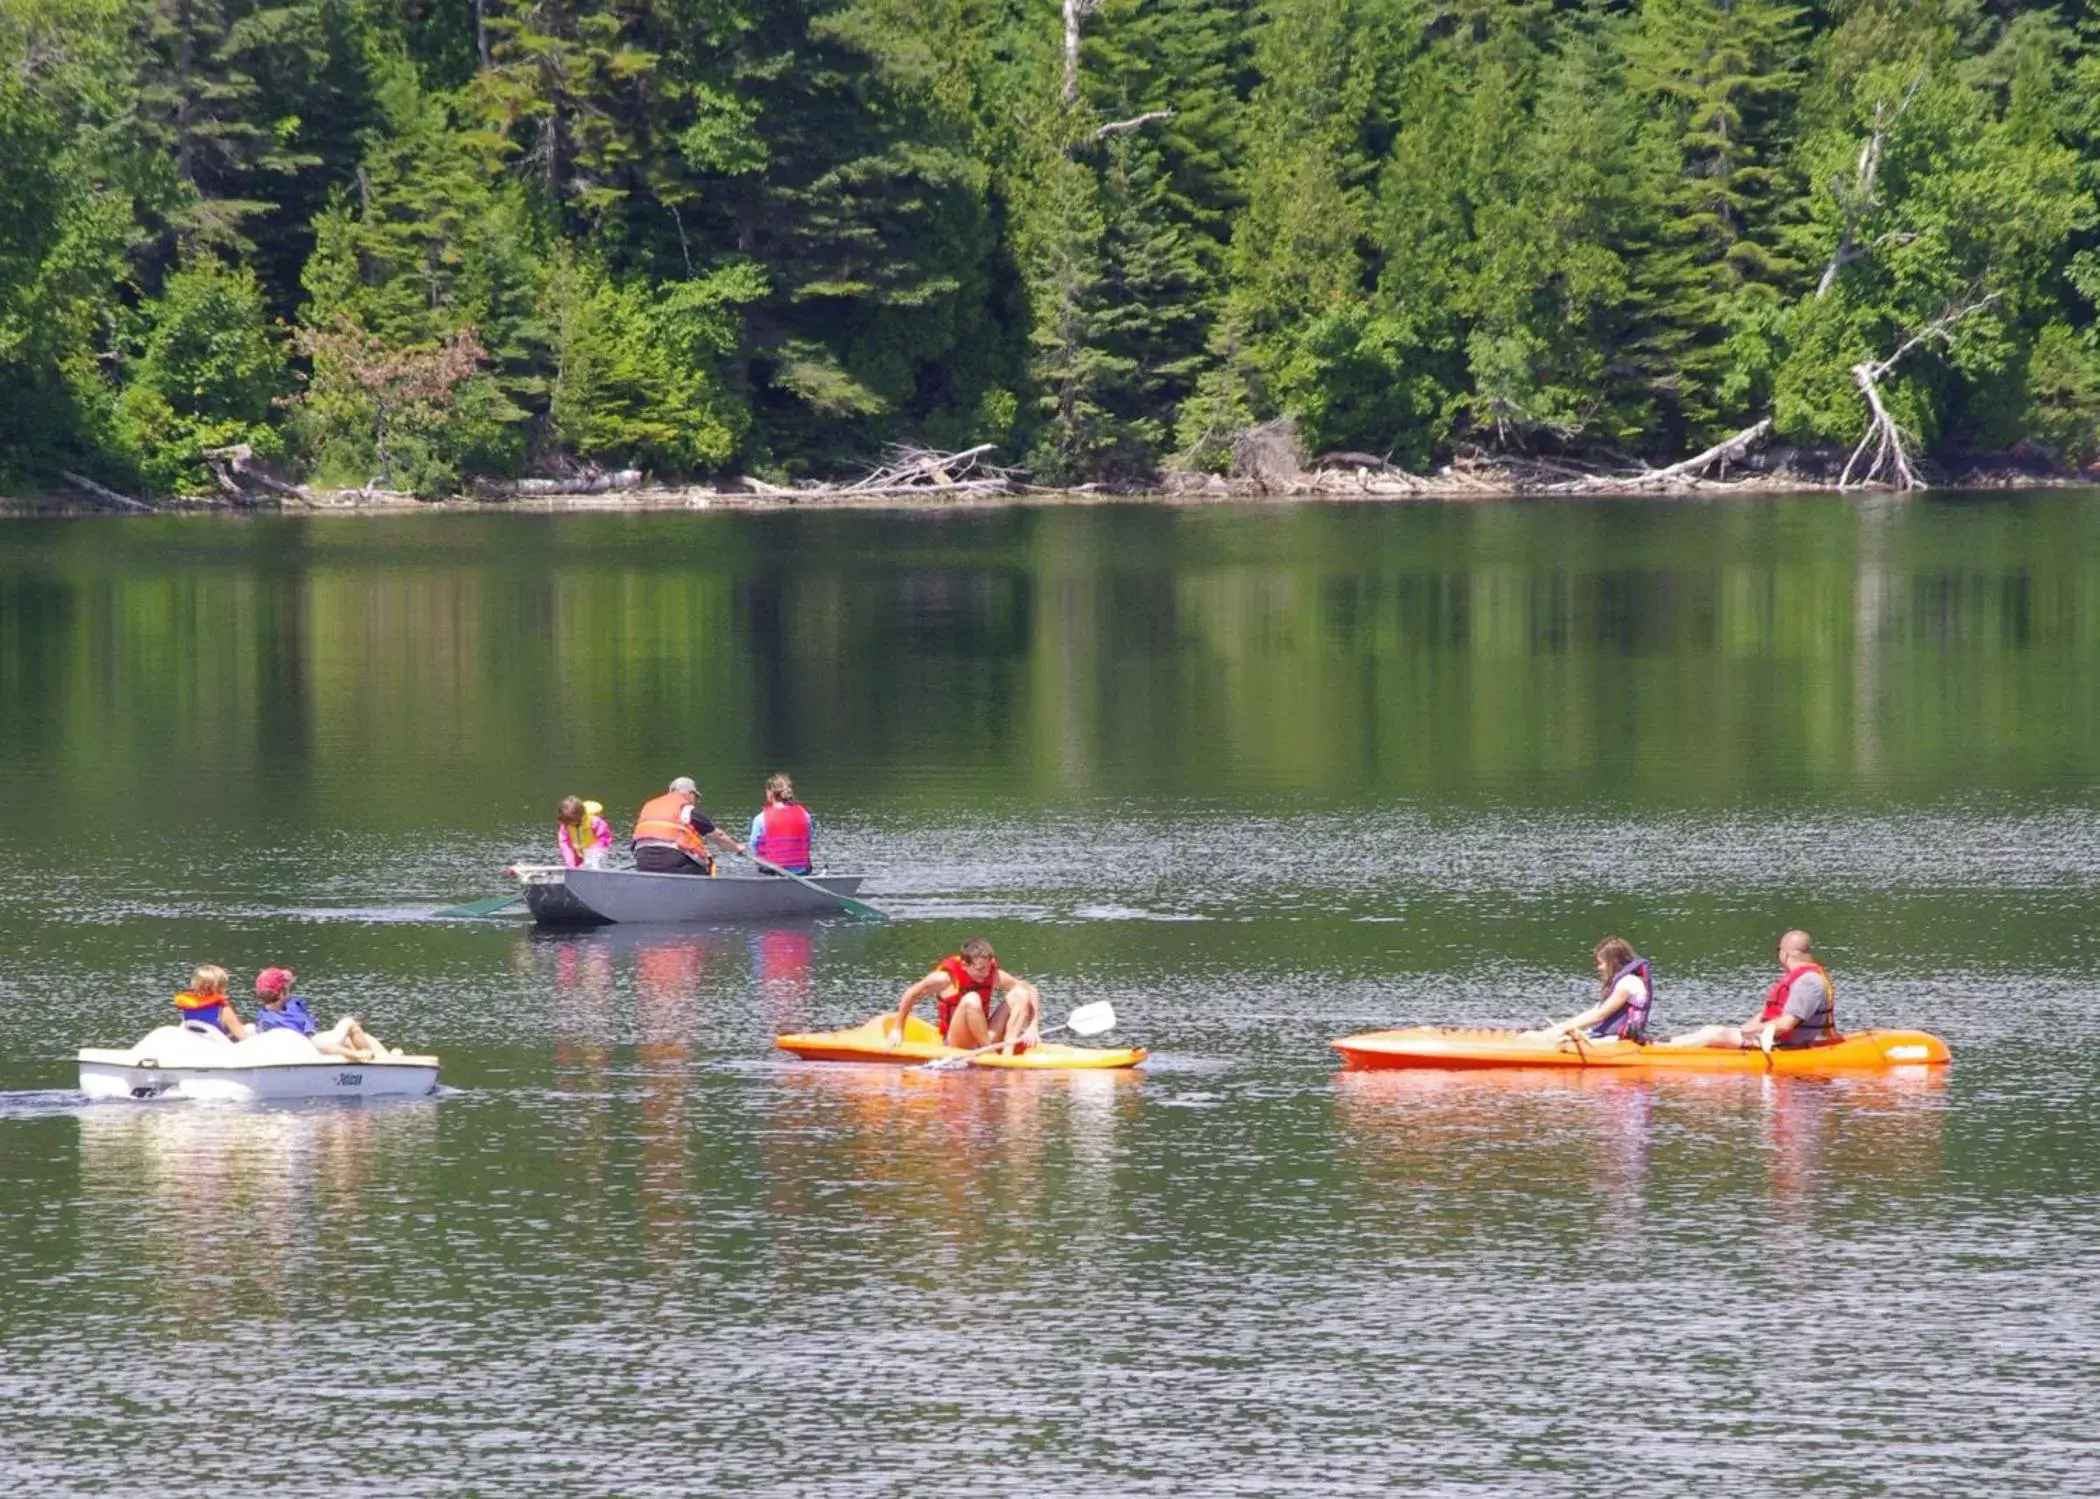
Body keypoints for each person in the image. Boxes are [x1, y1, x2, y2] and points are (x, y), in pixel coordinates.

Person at [1662, 929, 1836, 1050]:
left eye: (1778, 950)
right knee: (1709, 1029)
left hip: (1781, 1044)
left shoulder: (1808, 982)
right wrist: (1748, 1028)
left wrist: (1754, 1030)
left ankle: (1662, 1052)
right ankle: (1662, 1044)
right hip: (1770, 1038)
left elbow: (1786, 1023)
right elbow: (1770, 1014)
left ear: (1785, 954)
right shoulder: (1805, 978)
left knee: (1719, 1034)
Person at [889, 937, 1042, 1053]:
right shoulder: (944, 979)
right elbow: (911, 994)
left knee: (1020, 993)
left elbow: (1031, 989)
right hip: (957, 1041)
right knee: (971, 998)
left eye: (988, 968)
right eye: (980, 969)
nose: (986, 973)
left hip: (986, 1035)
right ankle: (989, 1051)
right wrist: (898, 1029)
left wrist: (1033, 1025)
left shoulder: (993, 976)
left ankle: (1007, 1053)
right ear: (964, 965)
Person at [252, 967, 394, 1061]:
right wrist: (352, 1053)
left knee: (355, 1037)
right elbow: (313, 1041)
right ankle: (372, 1059)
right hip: (308, 1052)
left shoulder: (264, 1016)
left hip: (294, 1051)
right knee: (348, 1022)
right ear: (283, 992)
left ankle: (385, 1057)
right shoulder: (289, 1015)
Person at [1532, 937, 1653, 1042]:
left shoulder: (1628, 983)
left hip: (1617, 1040)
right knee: (1554, 1035)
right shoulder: (1624, 981)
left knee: (1560, 1039)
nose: (1598, 967)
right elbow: (1594, 1012)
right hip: (1610, 1037)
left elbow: (1599, 1016)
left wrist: (1559, 1030)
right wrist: (1559, 1028)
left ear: (1613, 963)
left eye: (1601, 963)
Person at [631, 776, 747, 876]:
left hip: (642, 861)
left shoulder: (649, 806)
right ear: (689, 793)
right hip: (672, 861)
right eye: (695, 797)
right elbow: (718, 837)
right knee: (708, 865)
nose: (695, 801)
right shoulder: (687, 809)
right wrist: (737, 848)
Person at [748, 773, 815, 876]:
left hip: (771, 871)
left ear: (770, 793)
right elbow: (808, 843)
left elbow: (753, 846)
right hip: (801, 872)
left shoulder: (760, 818)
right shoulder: (805, 815)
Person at [173, 964, 250, 1039]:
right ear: (222, 988)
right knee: (250, 1028)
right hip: (218, 1049)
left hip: (196, 1046)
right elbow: (244, 1038)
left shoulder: (189, 1008)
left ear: (194, 986)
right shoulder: (223, 1011)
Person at [556, 796, 613, 869]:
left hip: (596, 854)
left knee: (595, 869)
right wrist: (570, 863)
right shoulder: (565, 826)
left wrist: (595, 852)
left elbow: (604, 837)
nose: (569, 824)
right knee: (574, 867)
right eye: (567, 822)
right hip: (578, 852)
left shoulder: (595, 821)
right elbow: (565, 844)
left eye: (571, 822)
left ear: (579, 816)